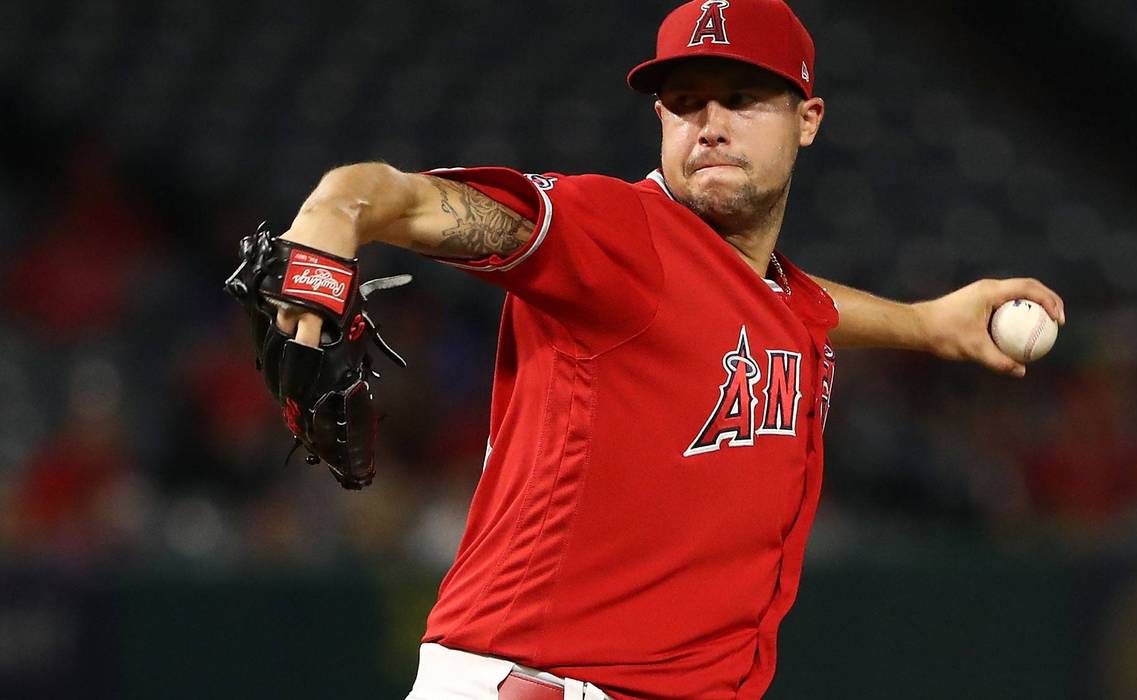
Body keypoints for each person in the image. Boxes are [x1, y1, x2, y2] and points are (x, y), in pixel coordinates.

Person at [272, 1, 1066, 698]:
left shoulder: (775, 296)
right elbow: (401, 200)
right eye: (683, 104)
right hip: (542, 686)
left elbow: (791, 304)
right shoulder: (613, 235)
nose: (709, 124)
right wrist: (338, 211)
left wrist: (925, 324)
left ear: (808, 118)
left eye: (742, 99)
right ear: (659, 122)